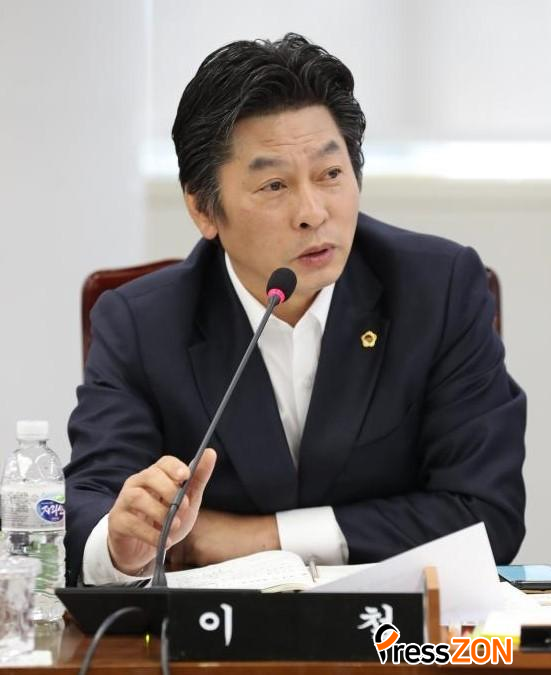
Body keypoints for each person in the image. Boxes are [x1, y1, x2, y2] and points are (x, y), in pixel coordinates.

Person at [65, 33, 526, 587]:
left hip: (394, 631)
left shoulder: (438, 289)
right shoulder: (142, 323)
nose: (312, 212)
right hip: (218, 634)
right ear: (203, 208)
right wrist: (123, 545)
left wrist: (255, 538)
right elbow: (90, 503)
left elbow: (487, 515)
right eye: (274, 185)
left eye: (331, 174)